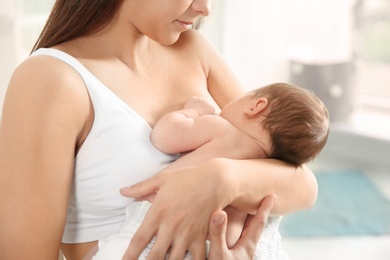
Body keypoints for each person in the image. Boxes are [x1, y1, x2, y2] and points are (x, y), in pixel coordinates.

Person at [0, 0, 319, 259]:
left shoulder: (194, 50)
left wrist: (221, 179)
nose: (205, 9)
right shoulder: (52, 80)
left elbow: (303, 184)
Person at [90, 82, 329, 259]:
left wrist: (193, 112)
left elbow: (164, 137)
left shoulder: (222, 130)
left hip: (157, 232)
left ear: (256, 106)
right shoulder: (264, 173)